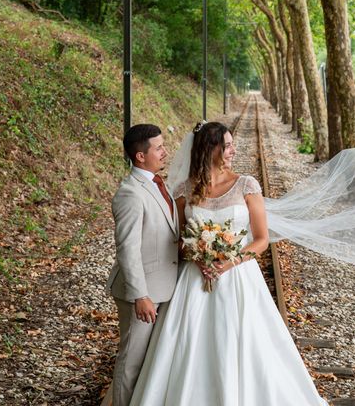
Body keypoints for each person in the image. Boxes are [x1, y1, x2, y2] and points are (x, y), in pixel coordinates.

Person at [129, 122, 329, 405]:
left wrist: (229, 262)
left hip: (238, 279)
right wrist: (197, 256)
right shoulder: (185, 190)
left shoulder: (246, 185)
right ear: (210, 148)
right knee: (188, 347)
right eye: (227, 145)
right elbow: (181, 241)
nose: (233, 150)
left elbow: (261, 239)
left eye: (233, 144)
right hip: (194, 281)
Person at [106, 124, 179, 406]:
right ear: (140, 156)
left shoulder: (158, 184)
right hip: (142, 292)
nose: (165, 152)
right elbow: (127, 248)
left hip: (164, 286)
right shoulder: (130, 194)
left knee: (151, 360)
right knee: (132, 360)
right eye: (159, 147)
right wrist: (141, 295)